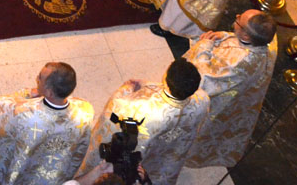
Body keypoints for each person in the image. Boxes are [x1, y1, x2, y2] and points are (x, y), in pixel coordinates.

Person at [81, 61, 209, 185]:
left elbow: (114, 109)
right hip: (173, 146)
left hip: (146, 150)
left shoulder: (141, 109)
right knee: (164, 164)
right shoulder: (203, 100)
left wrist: (126, 89)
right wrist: (146, 84)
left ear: (166, 77)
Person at [184, 11, 278, 168]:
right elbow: (242, 39)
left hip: (222, 97)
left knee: (204, 125)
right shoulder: (267, 35)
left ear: (247, 36)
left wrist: (204, 46)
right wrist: (225, 35)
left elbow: (205, 79)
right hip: (244, 92)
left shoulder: (239, 62)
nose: (237, 16)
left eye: (238, 20)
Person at [0, 63, 95, 185]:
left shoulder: (23, 113)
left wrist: (27, 94)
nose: (37, 79)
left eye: (40, 78)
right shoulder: (85, 111)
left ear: (49, 93)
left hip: (23, 169)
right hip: (55, 175)